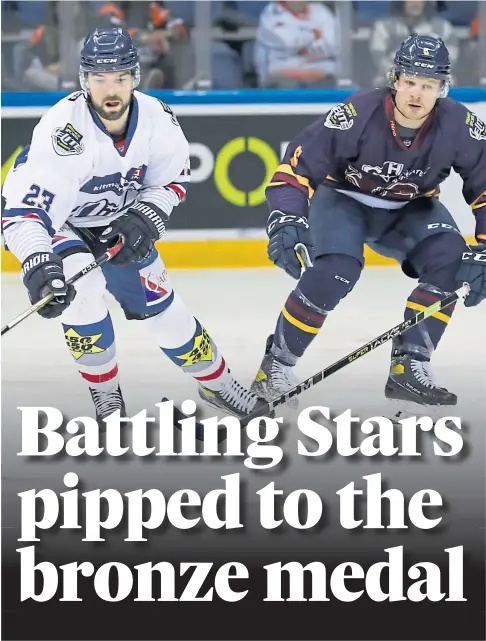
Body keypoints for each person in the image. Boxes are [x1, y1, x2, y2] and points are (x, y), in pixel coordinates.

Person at [2, 27, 267, 427]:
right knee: (81, 289)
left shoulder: (157, 119)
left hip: (117, 221)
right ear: (83, 80)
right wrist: (40, 263)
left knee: (165, 313)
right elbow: (23, 215)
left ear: (135, 77)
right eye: (100, 79)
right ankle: (107, 398)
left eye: (121, 78)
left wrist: (145, 216)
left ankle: (219, 384)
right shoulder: (63, 133)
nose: (111, 89)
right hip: (64, 224)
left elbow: (173, 181)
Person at [250, 34, 486, 419]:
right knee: (336, 269)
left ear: (442, 89)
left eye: (428, 85)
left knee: (450, 259)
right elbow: (298, 166)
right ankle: (276, 365)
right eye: (410, 81)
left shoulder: (460, 125)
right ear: (395, 79)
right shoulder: (358, 112)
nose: (416, 93)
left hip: (412, 207)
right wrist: (287, 216)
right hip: (344, 199)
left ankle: (410, 364)